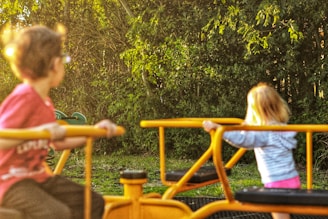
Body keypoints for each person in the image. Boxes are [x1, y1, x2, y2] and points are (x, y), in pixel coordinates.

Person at [0, 24, 118, 219]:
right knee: (56, 213)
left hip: (37, 177)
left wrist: (95, 131)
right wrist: (41, 131)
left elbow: (59, 142)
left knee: (92, 202)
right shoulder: (25, 96)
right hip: (10, 181)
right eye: (64, 59)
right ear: (55, 64)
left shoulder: (44, 102)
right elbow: (2, 139)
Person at [203, 82, 300, 219]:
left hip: (276, 183)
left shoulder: (264, 132)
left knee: (280, 215)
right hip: (292, 179)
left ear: (255, 110)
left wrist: (218, 128)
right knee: (283, 213)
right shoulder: (281, 127)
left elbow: (243, 140)